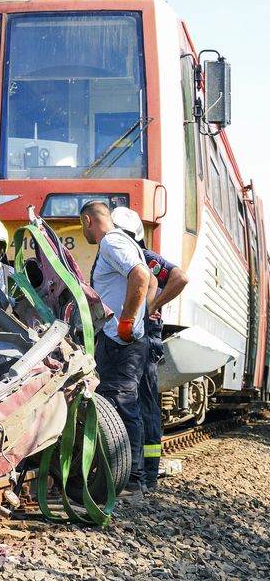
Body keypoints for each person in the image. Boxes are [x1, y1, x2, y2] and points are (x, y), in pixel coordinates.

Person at [112, 206, 189, 491]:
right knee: (139, 402)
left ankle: (147, 475)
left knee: (143, 402)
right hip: (134, 334)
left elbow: (181, 277)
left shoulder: (144, 259)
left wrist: (153, 306)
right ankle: (140, 473)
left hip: (144, 335)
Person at [79, 200, 151, 497]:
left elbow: (142, 276)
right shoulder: (123, 241)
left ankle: (132, 480)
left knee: (121, 405)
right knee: (123, 404)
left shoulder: (110, 242)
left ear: (87, 221)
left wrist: (127, 320)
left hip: (121, 341)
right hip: (121, 340)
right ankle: (132, 478)